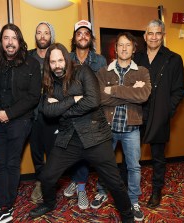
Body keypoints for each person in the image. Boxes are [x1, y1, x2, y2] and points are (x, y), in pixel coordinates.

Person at [29, 43, 134, 223]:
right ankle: (49, 202)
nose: (57, 65)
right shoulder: (49, 82)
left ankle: (127, 216)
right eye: (53, 62)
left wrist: (62, 107)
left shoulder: (83, 72)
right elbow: (47, 110)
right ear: (49, 64)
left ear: (67, 59)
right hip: (68, 138)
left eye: (60, 60)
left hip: (95, 136)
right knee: (46, 176)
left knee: (115, 182)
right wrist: (73, 99)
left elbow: (93, 101)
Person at [0, 23, 41, 223]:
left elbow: (33, 97)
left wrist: (9, 113)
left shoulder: (31, 63)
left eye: (14, 38)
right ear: (1, 42)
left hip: (20, 120)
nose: (10, 42)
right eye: (6, 38)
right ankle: (3, 202)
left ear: (20, 41)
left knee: (11, 162)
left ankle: (6, 206)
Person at [93, 32, 151, 221]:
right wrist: (131, 91)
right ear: (115, 48)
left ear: (134, 49)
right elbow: (101, 98)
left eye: (128, 45)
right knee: (104, 164)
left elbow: (143, 96)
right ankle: (101, 191)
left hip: (131, 129)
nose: (124, 48)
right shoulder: (104, 72)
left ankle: (133, 200)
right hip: (107, 127)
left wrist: (115, 90)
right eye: (120, 45)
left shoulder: (142, 71)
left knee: (134, 167)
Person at [133, 19, 184, 208]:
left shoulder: (174, 59)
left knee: (157, 156)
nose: (154, 37)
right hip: (136, 113)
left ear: (163, 36)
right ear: (145, 36)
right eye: (150, 33)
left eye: (158, 33)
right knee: (132, 154)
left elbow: (179, 90)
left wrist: (167, 111)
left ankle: (156, 190)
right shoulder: (136, 58)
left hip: (159, 115)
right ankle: (131, 188)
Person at [63, 19, 107, 210]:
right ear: (74, 38)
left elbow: (102, 88)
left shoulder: (100, 60)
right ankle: (78, 182)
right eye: (79, 33)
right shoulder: (66, 58)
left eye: (86, 33)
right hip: (70, 112)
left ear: (91, 37)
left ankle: (79, 186)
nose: (83, 36)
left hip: (91, 113)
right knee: (74, 151)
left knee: (86, 151)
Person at [28, 21, 59, 203]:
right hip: (32, 115)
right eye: (39, 33)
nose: (42, 36)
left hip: (53, 114)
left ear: (51, 36)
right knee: (37, 152)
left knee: (53, 153)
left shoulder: (57, 57)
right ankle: (40, 183)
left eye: (46, 33)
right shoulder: (28, 57)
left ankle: (50, 183)